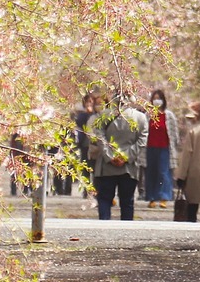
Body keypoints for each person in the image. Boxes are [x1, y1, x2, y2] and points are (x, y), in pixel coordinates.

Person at [89, 89, 147, 220]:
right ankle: (126, 230)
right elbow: (142, 141)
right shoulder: (140, 117)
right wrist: (126, 156)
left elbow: (99, 137)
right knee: (127, 202)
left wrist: (109, 156)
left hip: (106, 166)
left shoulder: (103, 116)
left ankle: (104, 227)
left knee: (104, 199)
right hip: (129, 167)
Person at [143, 88, 179, 206]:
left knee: (164, 172)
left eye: (159, 99)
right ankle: (152, 197)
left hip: (164, 148)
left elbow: (174, 133)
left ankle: (164, 197)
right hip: (150, 148)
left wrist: (174, 146)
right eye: (155, 99)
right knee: (151, 172)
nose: (157, 101)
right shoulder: (147, 115)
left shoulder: (169, 116)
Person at [72, 91, 101, 199]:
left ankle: (96, 190)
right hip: (85, 145)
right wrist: (86, 113)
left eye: (91, 101)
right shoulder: (83, 115)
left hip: (95, 146)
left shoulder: (97, 115)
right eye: (87, 102)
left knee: (95, 169)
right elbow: (79, 122)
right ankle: (86, 190)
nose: (89, 103)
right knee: (85, 169)